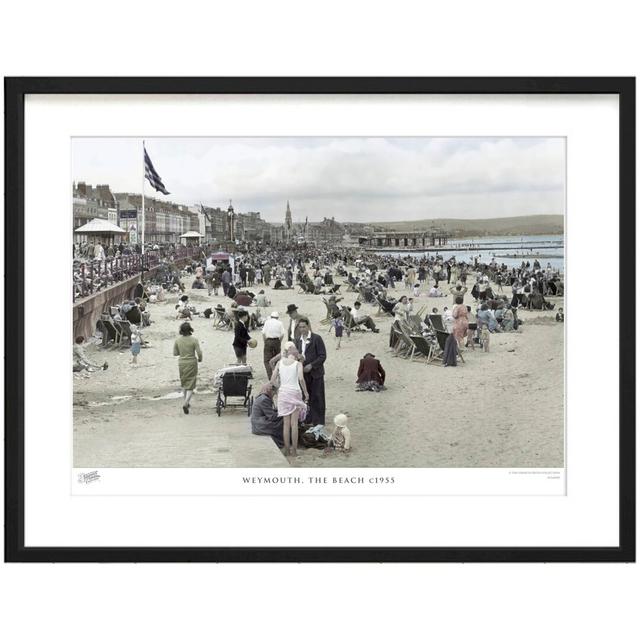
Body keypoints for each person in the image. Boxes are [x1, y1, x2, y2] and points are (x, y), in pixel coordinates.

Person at [271, 342, 309, 457]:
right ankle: (294, 451)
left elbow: (272, 379)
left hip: (283, 393)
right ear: (296, 355)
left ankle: (287, 450)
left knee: (286, 424)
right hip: (295, 392)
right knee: (294, 424)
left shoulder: (279, 363)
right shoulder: (297, 364)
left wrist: (280, 387)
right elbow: (301, 379)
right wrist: (306, 392)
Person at [296, 318, 327, 428]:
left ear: (308, 326)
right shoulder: (298, 340)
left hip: (316, 373)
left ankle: (319, 421)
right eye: (300, 327)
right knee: (306, 396)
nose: (302, 329)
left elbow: (322, 356)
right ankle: (308, 418)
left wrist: (312, 365)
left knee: (318, 396)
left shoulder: (316, 338)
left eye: (304, 327)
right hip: (303, 374)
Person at [173, 322, 202, 414]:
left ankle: (186, 402)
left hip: (182, 363)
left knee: (184, 382)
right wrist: (200, 359)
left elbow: (175, 353)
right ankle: (186, 403)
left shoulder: (177, 340)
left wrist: (182, 352)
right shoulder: (194, 340)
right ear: (190, 329)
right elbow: (199, 352)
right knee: (191, 384)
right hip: (192, 363)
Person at [250, 383, 284, 448]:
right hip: (260, 426)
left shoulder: (262, 397)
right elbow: (272, 416)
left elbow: (268, 412)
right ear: (270, 391)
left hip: (258, 424)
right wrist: (282, 413)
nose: (274, 395)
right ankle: (283, 442)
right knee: (283, 420)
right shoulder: (264, 399)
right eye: (274, 393)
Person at [261, 310, 285, 378]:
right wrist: (279, 341)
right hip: (277, 341)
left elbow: (263, 333)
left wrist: (265, 342)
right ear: (277, 317)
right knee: (277, 359)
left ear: (271, 317)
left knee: (267, 360)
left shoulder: (267, 322)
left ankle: (270, 377)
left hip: (268, 341)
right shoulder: (280, 323)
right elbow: (282, 334)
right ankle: (277, 375)